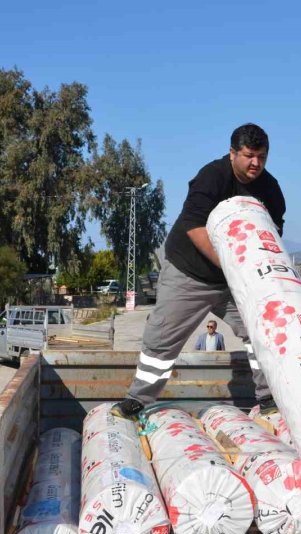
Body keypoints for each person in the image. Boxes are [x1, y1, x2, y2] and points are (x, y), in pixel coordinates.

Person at [112, 123, 286, 419]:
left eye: (262, 157)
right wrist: (231, 266)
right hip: (188, 273)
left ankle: (268, 397)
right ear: (232, 153)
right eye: (249, 156)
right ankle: (138, 399)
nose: (256, 163)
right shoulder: (212, 177)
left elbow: (272, 233)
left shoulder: (270, 190)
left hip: (233, 282)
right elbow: (194, 227)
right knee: (161, 338)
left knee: (261, 331)